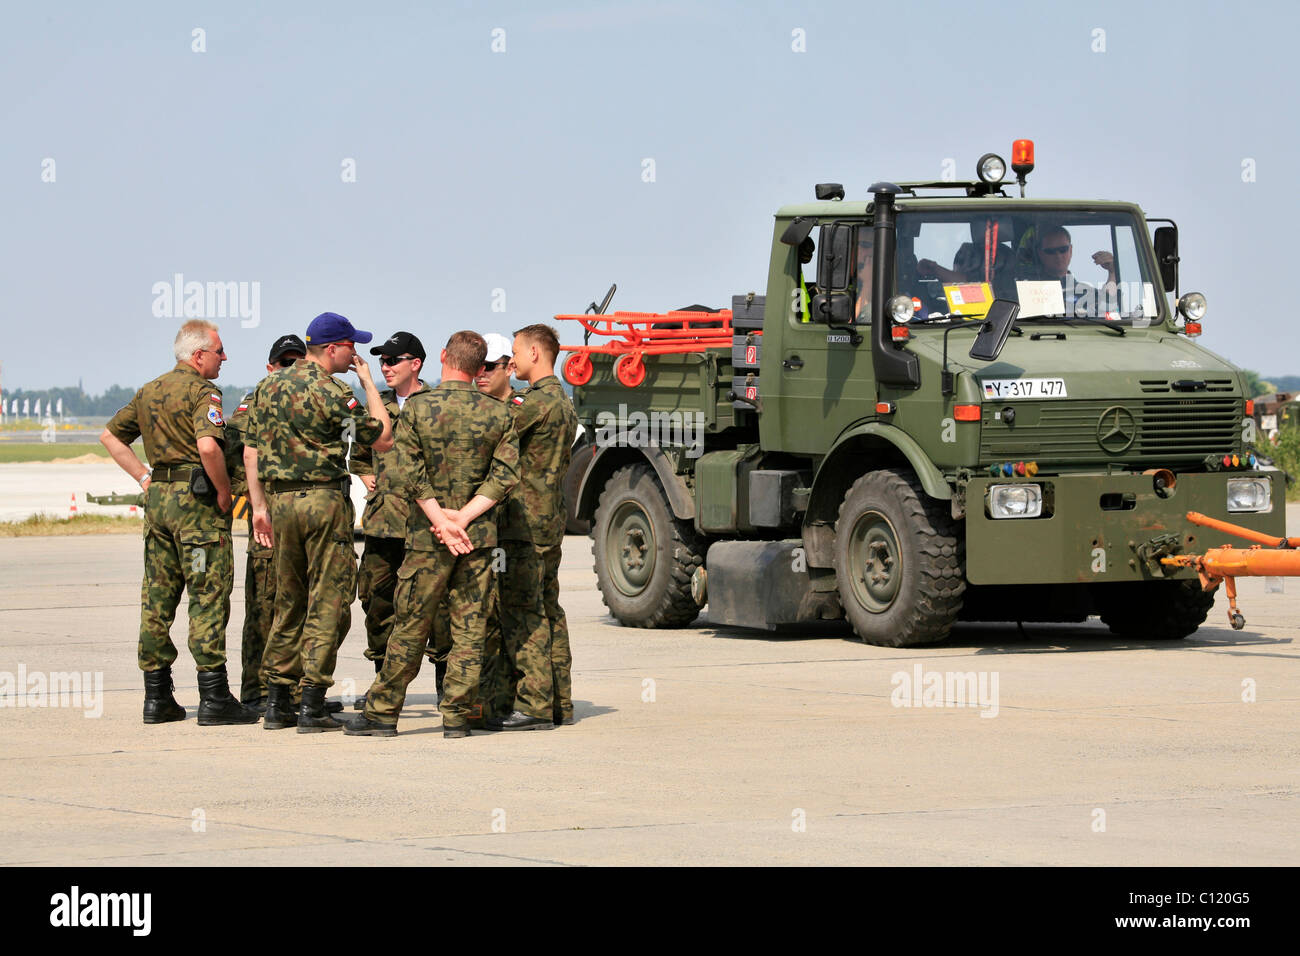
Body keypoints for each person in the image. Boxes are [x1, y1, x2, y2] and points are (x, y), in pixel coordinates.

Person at [343, 331, 519, 739]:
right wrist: (465, 517)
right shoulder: (499, 413)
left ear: (442, 357)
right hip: (477, 538)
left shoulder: (420, 410)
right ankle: (457, 715)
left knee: (410, 623)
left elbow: (405, 470)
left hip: (426, 537)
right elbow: (506, 475)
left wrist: (440, 520)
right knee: (470, 626)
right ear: (479, 368)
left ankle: (383, 712)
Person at [100, 319, 258, 726]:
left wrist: (144, 477)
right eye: (220, 351)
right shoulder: (202, 391)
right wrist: (224, 491)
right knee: (207, 595)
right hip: (197, 507)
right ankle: (214, 697)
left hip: (159, 505)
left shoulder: (150, 390)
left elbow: (111, 438)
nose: (225, 358)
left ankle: (157, 696)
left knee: (158, 597)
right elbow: (208, 446)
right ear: (198, 354)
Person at [243, 312, 393, 732]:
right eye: (351, 347)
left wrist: (259, 507)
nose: (355, 354)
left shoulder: (267, 387)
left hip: (280, 502)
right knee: (327, 600)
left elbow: (250, 452)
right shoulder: (334, 392)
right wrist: (368, 385)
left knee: (288, 600)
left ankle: (277, 702)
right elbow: (382, 436)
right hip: (323, 502)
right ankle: (311, 702)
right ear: (332, 348)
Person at [487, 323, 579, 730]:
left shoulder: (533, 402)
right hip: (550, 519)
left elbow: (494, 437)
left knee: (523, 612)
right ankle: (560, 701)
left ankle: (535, 704)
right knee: (548, 610)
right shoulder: (563, 399)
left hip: (524, 522)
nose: (512, 360)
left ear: (535, 354)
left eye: (516, 353)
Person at [225, 333, 306, 711]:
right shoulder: (254, 403)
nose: (291, 369)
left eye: (297, 362)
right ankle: (258, 690)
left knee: (304, 606)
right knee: (263, 607)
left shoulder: (314, 398)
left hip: (304, 518)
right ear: (271, 367)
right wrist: (257, 497)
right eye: (284, 363)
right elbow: (233, 457)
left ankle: (298, 691)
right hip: (267, 520)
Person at [350, 331, 427, 711]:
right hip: (382, 523)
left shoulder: (434, 405)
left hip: (423, 525)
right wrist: (367, 477)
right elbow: (360, 456)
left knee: (437, 610)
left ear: (416, 364)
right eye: (382, 361)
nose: (386, 367)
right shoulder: (375, 406)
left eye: (394, 360)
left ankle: (448, 687)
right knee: (377, 605)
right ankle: (382, 685)